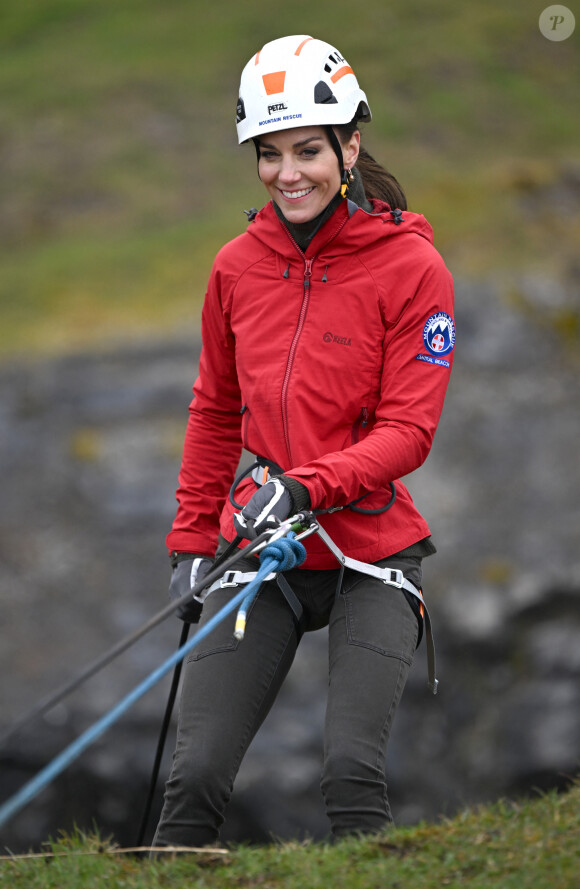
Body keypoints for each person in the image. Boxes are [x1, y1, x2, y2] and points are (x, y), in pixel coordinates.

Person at [153, 34, 454, 848]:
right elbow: (215, 410)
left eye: (309, 150)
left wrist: (308, 484)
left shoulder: (413, 268)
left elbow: (409, 431)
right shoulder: (234, 267)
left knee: (350, 772)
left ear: (349, 146)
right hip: (262, 543)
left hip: (371, 551)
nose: (289, 172)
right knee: (195, 776)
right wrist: (190, 540)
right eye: (271, 153)